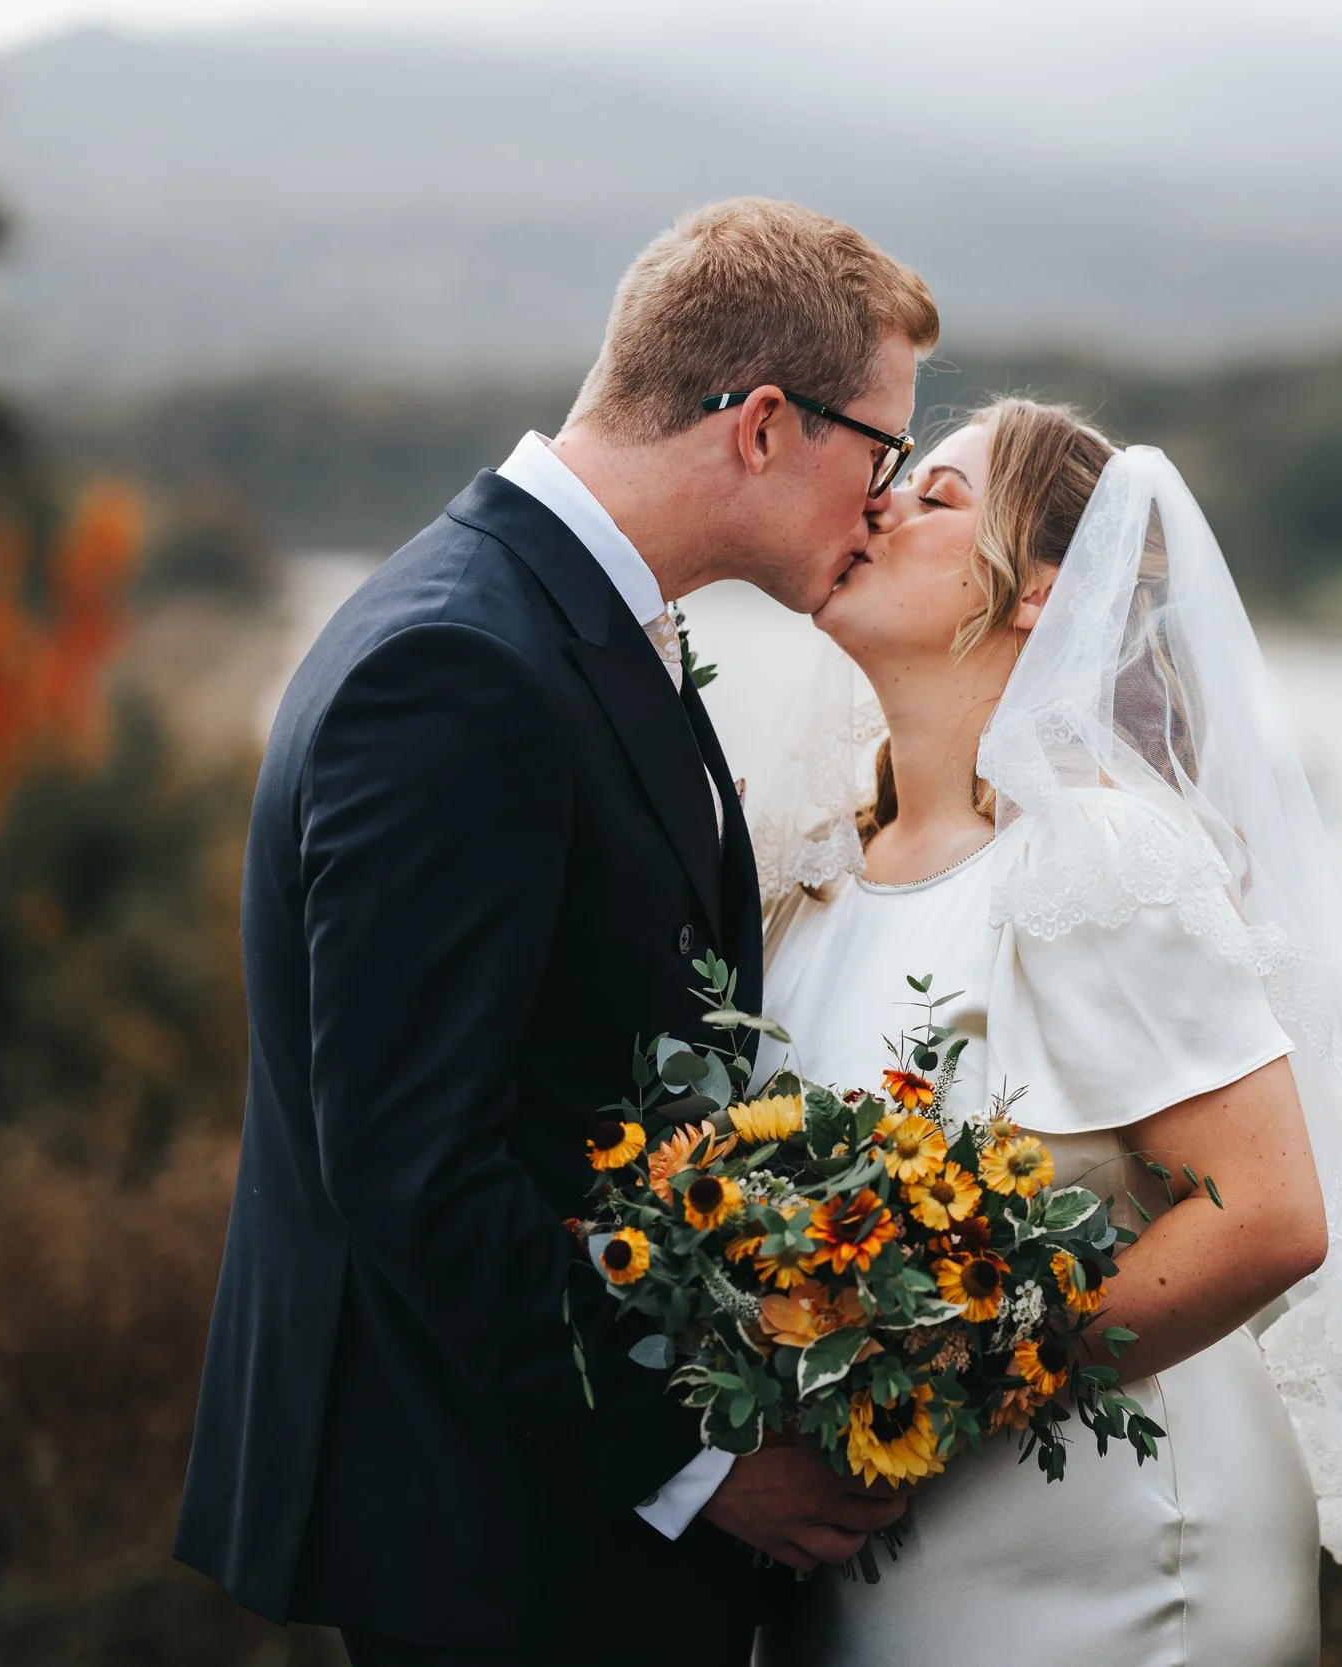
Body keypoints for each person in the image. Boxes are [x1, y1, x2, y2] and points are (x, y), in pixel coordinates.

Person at [175, 197, 939, 1667]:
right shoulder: (461, 664)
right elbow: (414, 1159)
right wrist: (702, 1457)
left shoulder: (554, 614)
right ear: (765, 425)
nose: (885, 498)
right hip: (493, 1529)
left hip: (535, 1514)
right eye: (882, 449)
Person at [748, 398, 1342, 1666]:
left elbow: (1266, 1211)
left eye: (934, 496)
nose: (875, 501)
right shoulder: (817, 877)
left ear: (1044, 591)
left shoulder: (1094, 857)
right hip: (862, 1543)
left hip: (1092, 1551)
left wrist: (917, 1403)